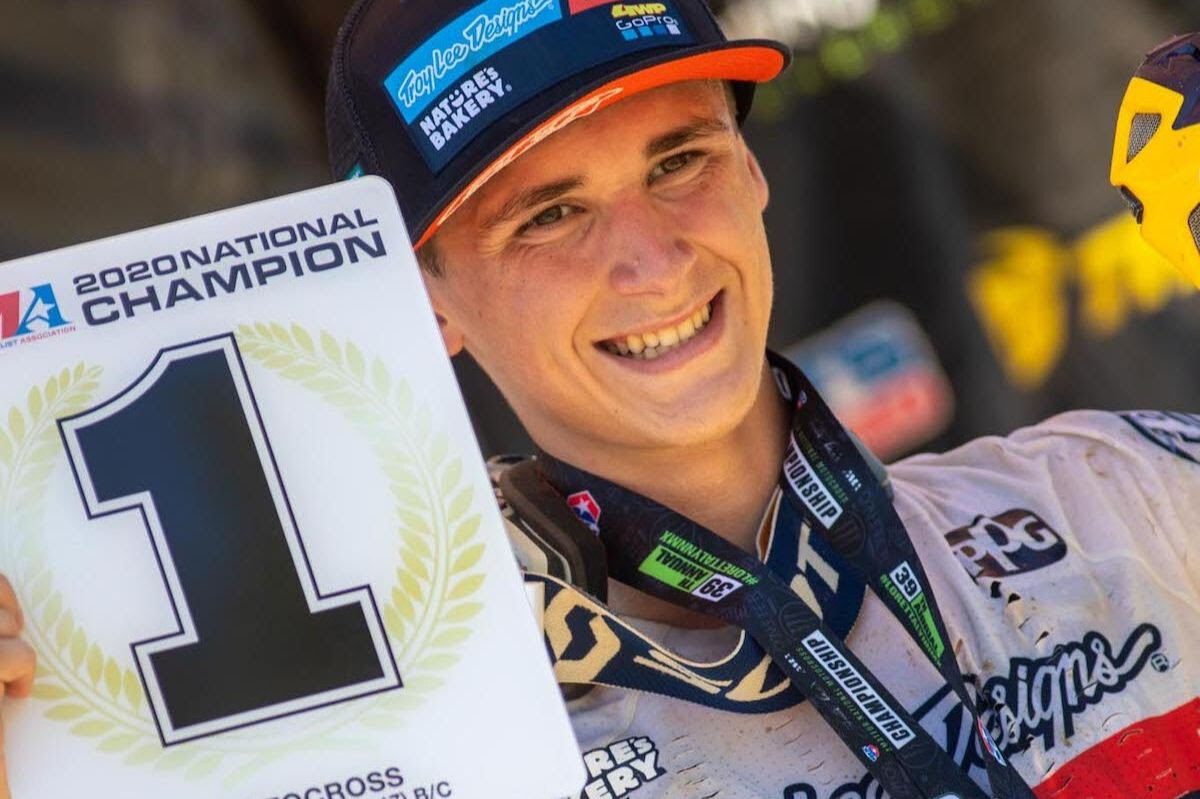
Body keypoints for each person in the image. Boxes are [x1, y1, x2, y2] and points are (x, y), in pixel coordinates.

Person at [2, 1, 1200, 797]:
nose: (651, 259)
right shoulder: (427, 746)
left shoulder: (1119, 496)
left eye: (679, 161)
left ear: (752, 169)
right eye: (550, 215)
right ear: (425, 302)